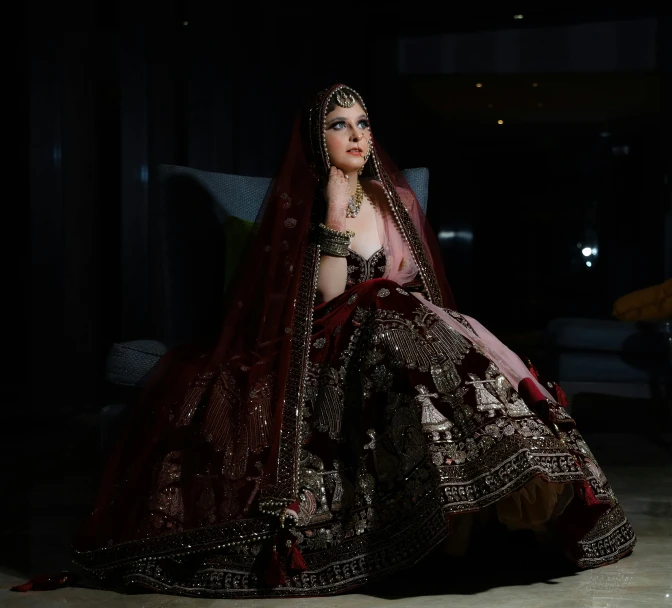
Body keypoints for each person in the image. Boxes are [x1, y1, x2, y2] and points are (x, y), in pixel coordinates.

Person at [14, 84, 635, 599]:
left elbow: (419, 287)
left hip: (408, 324)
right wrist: (335, 214)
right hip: (336, 331)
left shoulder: (399, 200)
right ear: (319, 140)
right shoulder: (301, 207)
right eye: (341, 125)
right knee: (393, 333)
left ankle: (483, 513)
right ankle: (433, 528)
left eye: (363, 122)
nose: (358, 135)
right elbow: (328, 296)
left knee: (448, 361)